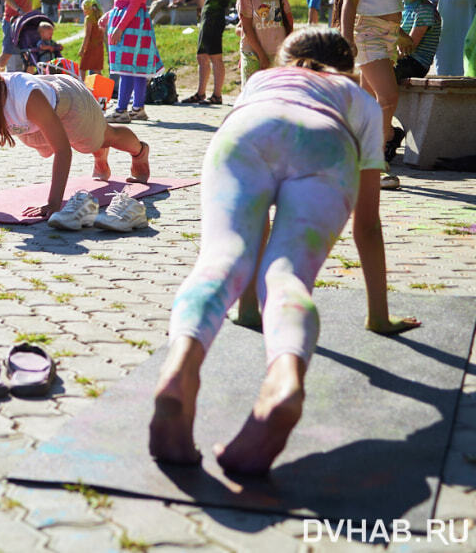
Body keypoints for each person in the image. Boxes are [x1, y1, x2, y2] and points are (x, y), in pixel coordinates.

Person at [148, 27, 420, 474]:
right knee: (288, 275)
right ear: (348, 66)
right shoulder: (363, 102)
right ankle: (284, 380)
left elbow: (257, 226)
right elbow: (367, 226)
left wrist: (247, 309)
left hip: (246, 133)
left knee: (220, 258)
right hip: (326, 142)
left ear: (286, 57)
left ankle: (179, 368)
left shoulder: (262, 81)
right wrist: (378, 316)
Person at [0, 39, 150, 229]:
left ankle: (139, 151)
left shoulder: (25, 96)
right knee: (80, 143)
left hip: (69, 101)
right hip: (32, 120)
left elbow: (63, 150)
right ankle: (99, 152)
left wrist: (53, 204)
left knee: (101, 137)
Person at [331, 0, 410, 191]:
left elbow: (383, 0)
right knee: (387, 98)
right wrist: (347, 37)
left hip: (383, 34)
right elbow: (349, 2)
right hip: (368, 34)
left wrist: (398, 32)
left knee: (366, 104)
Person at [105, 0, 163, 123]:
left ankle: (122, 110)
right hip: (130, 21)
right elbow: (124, 0)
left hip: (132, 24)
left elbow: (135, 2)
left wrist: (120, 27)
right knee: (136, 67)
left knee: (127, 67)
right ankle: (137, 108)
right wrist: (108, 16)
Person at [184, 0, 236, 104]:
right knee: (202, 56)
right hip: (208, 16)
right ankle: (201, 93)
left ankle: (217, 95)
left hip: (215, 17)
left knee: (215, 56)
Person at [392, 0, 440, 83]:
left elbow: (409, 47)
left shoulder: (424, 9)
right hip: (402, 59)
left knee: (380, 73)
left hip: (415, 64)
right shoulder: (400, 6)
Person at [77, 0, 106, 78]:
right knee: (97, 70)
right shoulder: (100, 17)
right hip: (99, 47)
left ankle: (81, 86)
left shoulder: (89, 18)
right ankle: (101, 88)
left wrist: (82, 49)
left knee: (82, 68)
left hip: (90, 47)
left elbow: (87, 35)